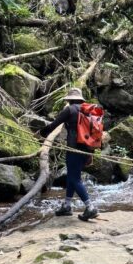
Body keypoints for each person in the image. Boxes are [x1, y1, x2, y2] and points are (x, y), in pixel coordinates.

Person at [41, 87, 99, 221]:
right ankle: (67, 206)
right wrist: (91, 153)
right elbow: (93, 133)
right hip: (86, 149)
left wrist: (42, 133)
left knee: (75, 178)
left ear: (70, 99)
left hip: (73, 149)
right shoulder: (88, 111)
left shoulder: (70, 110)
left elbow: (54, 124)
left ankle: (90, 207)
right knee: (72, 176)